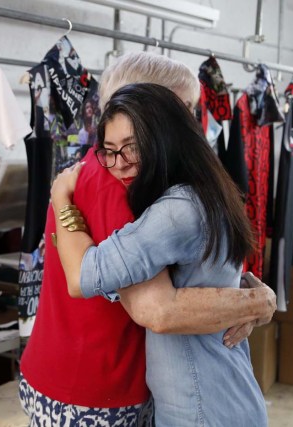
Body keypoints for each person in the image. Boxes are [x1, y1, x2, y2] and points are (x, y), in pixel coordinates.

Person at [19, 52, 275, 426]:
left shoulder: (118, 172)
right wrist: (256, 303)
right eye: (179, 109)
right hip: (95, 386)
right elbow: (157, 308)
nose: (189, 123)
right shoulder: (122, 184)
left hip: (76, 375)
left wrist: (255, 299)